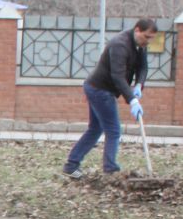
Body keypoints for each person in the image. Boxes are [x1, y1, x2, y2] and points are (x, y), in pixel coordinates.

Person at [64, 17, 157, 178]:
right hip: (99, 89)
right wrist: (132, 100)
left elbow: (143, 67)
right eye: (146, 37)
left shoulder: (140, 44)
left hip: (101, 89)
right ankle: (110, 170)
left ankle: (71, 165)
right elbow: (117, 76)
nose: (148, 41)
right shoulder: (120, 45)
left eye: (151, 38)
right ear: (137, 30)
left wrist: (139, 85)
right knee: (113, 130)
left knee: (95, 129)